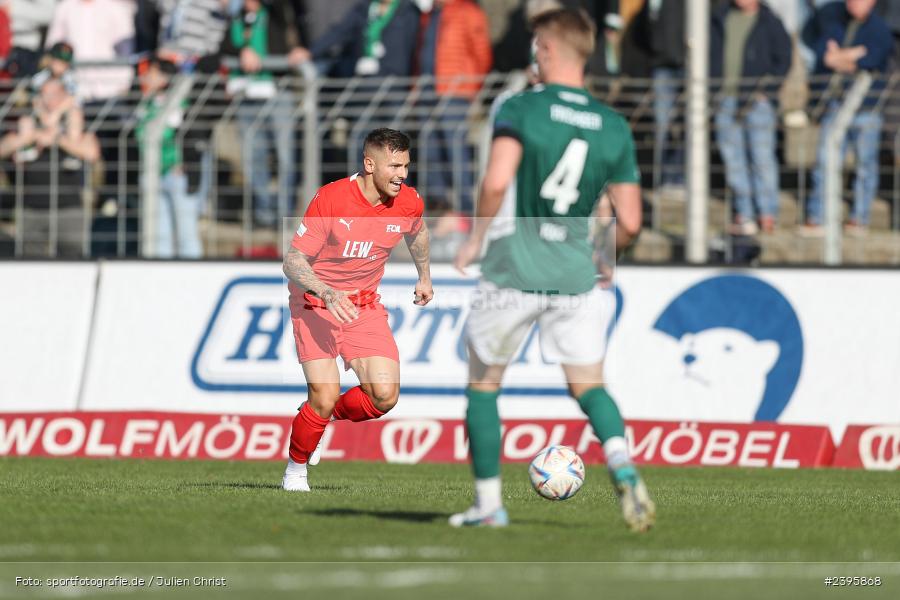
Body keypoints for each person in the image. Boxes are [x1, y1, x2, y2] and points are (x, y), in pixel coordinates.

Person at [451, 8, 652, 531]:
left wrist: (475, 240)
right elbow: (630, 220)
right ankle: (624, 467)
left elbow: (497, 182)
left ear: (545, 50)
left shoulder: (521, 107)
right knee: (589, 385)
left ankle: (489, 506)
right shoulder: (613, 125)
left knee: (483, 383)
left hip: (515, 263)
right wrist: (602, 258)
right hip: (574, 272)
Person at [281, 128, 434, 492]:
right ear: (369, 164)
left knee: (384, 395)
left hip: (363, 306)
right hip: (315, 303)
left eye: (406, 165)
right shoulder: (331, 199)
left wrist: (424, 276)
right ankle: (295, 471)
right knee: (322, 393)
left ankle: (321, 418)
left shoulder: (409, 201)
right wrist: (327, 291)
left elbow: (418, 232)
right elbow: (293, 261)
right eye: (394, 165)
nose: (403, 174)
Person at [803, 0, 893, 235]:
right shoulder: (835, 23)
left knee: (865, 165)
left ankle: (859, 218)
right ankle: (818, 215)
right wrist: (852, 54)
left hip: (867, 108)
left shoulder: (880, 29)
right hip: (836, 103)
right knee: (826, 161)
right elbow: (824, 54)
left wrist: (842, 56)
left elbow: (872, 59)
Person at [221, 0, 305, 227]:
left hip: (276, 92)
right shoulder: (235, 18)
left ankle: (286, 211)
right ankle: (264, 212)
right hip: (246, 96)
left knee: (285, 155)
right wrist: (242, 51)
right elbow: (223, 46)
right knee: (252, 156)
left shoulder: (277, 12)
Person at [712, 0, 792, 235]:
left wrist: (765, 92)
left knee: (762, 158)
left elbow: (783, 59)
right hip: (724, 98)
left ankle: (767, 213)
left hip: (757, 102)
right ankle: (744, 212)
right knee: (733, 160)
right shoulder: (720, 17)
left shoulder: (771, 22)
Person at [0, 76, 100, 257]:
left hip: (68, 209)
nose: (49, 100)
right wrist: (31, 137)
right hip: (31, 209)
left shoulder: (73, 124)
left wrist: (57, 138)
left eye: (55, 94)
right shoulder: (27, 123)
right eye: (45, 94)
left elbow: (91, 153)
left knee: (74, 260)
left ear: (64, 96)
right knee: (29, 260)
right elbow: (4, 147)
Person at [418, 0, 492, 212]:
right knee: (429, 148)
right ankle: (437, 200)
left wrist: (472, 86)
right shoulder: (430, 13)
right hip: (427, 90)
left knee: (455, 148)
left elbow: (481, 52)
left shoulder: (468, 11)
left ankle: (465, 205)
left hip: (455, 92)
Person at [134, 55, 203, 258]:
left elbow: (168, 134)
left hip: (176, 174)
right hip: (153, 173)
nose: (146, 76)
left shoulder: (178, 103)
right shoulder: (147, 103)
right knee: (158, 236)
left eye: (152, 72)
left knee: (186, 234)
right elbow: (140, 134)